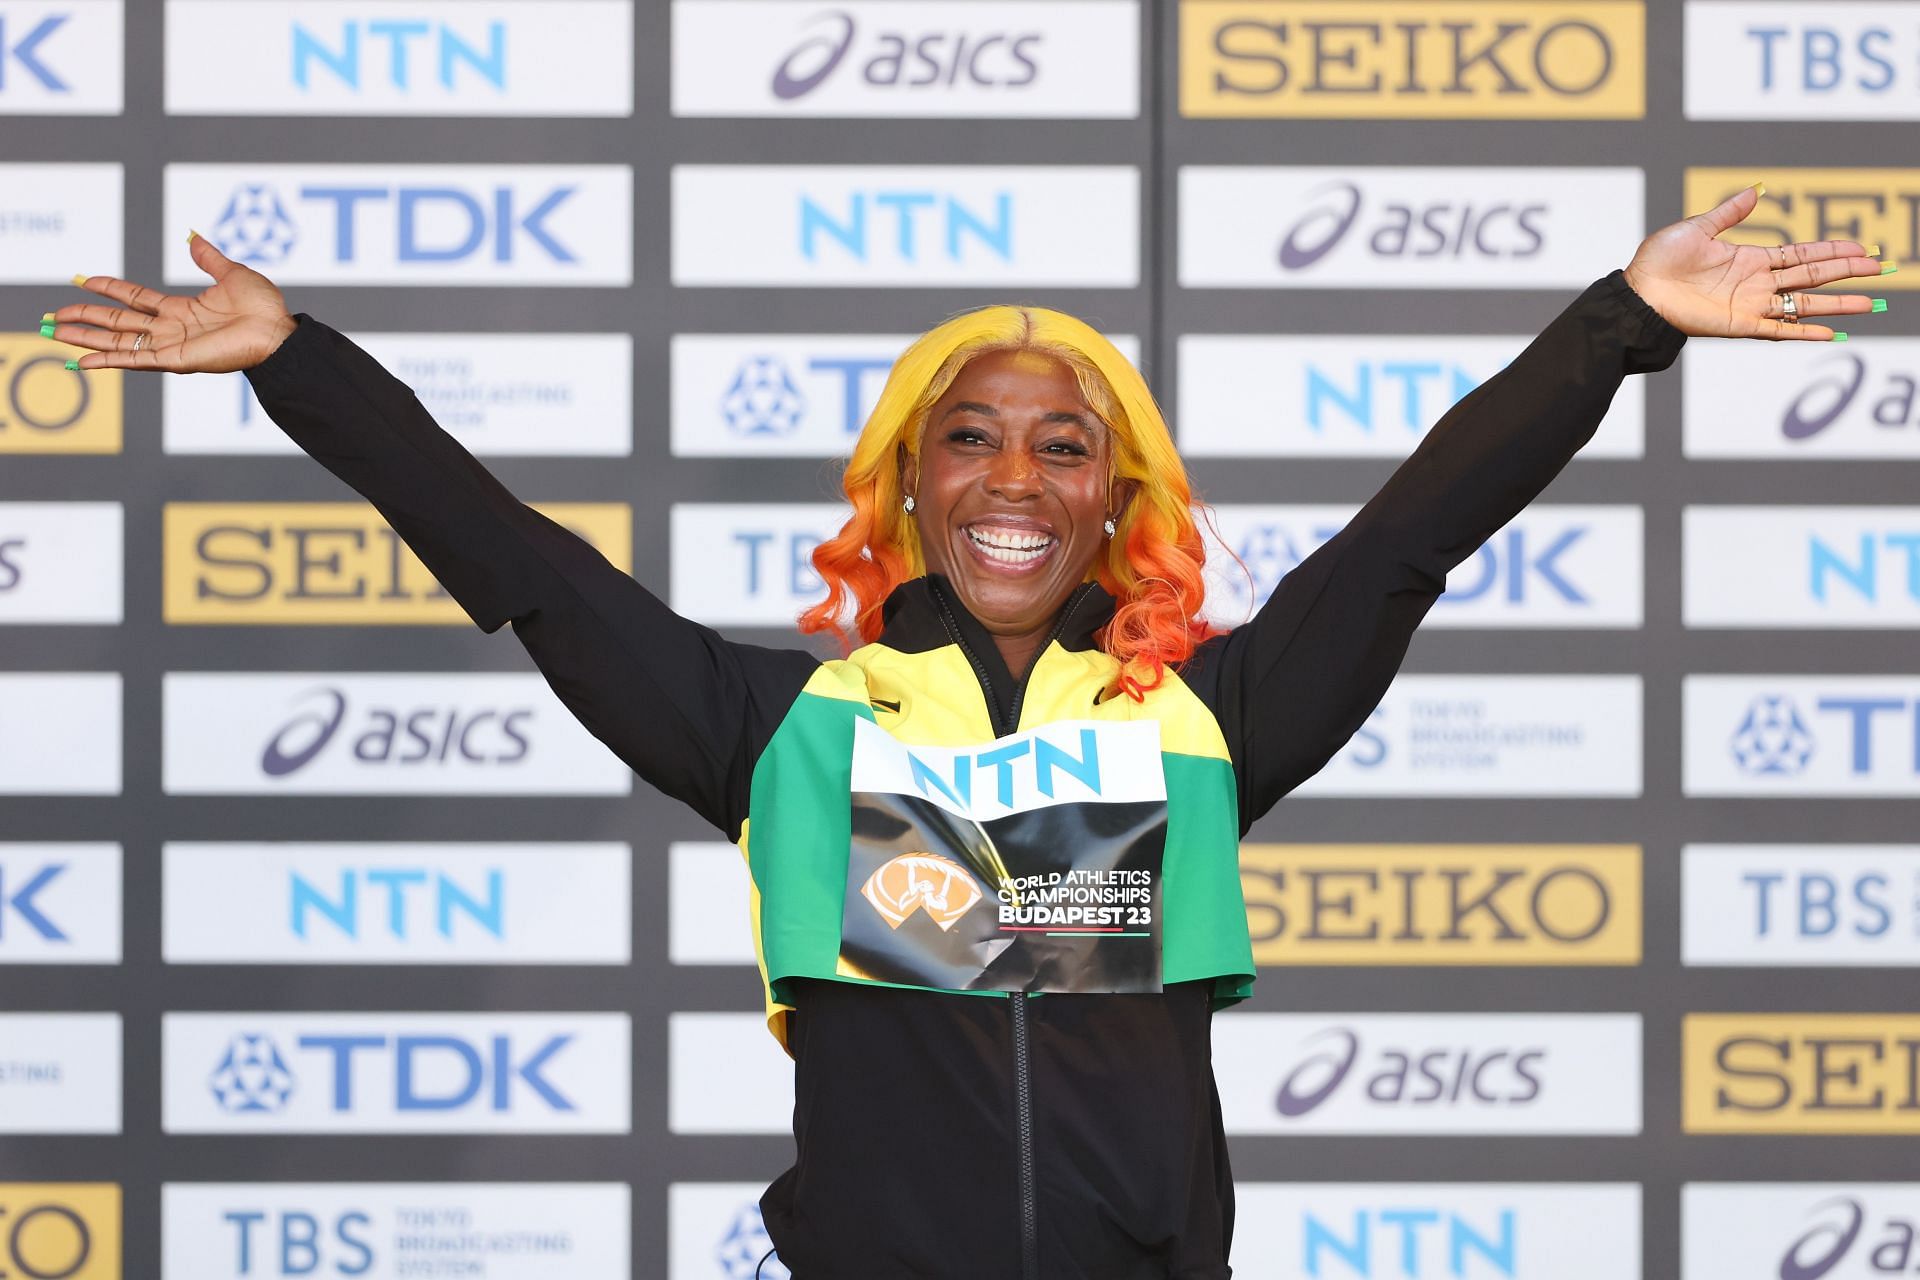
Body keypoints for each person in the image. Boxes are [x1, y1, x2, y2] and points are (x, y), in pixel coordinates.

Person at [47, 187, 1882, 1279]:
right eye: (972, 436)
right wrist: (299, 363)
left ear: (1114, 499)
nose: (1016, 473)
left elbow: (1405, 541)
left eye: (1062, 443)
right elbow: (523, 567)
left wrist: (1624, 321)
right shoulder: (780, 725)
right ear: (912, 486)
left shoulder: (1198, 721)